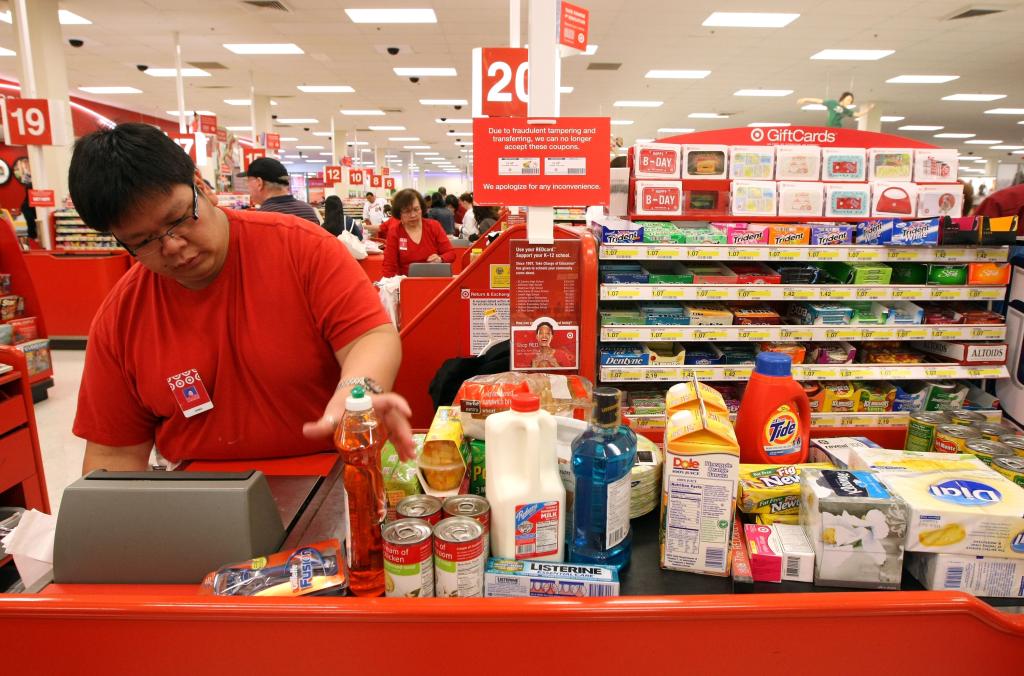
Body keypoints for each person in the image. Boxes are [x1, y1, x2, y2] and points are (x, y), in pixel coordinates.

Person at [68, 123, 413, 472]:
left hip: (329, 474)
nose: (172, 246)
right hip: (199, 498)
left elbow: (369, 337)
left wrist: (356, 390)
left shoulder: (302, 248)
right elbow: (113, 455)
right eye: (143, 240)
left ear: (202, 188)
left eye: (179, 218)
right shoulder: (121, 316)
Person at [382, 188, 455, 276]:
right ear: (399, 213)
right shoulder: (395, 232)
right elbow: (389, 266)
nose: (413, 215)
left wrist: (440, 259)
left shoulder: (434, 226)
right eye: (407, 211)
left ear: (422, 208)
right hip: (407, 283)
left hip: (434, 279)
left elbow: (451, 253)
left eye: (416, 209)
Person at [245, 157, 320, 224]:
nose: (247, 186)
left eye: (248, 181)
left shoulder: (260, 218)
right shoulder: (308, 210)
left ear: (259, 183)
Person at [797, 92, 874, 128]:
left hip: (837, 128)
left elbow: (858, 114)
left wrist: (869, 109)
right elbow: (818, 101)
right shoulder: (832, 103)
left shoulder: (846, 110)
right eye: (848, 99)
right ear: (843, 98)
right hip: (829, 127)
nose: (849, 102)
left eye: (851, 101)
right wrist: (805, 99)